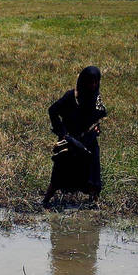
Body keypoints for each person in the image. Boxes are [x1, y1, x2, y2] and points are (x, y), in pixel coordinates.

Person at [42, 66, 108, 207]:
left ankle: (95, 204)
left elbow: (98, 117)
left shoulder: (96, 98)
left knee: (92, 173)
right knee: (59, 173)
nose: (93, 85)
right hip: (70, 142)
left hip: (88, 142)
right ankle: (45, 201)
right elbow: (52, 111)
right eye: (90, 81)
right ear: (83, 81)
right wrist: (62, 133)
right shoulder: (71, 96)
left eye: (96, 82)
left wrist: (96, 128)